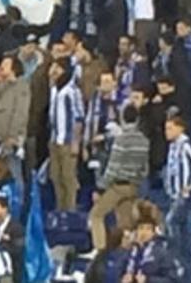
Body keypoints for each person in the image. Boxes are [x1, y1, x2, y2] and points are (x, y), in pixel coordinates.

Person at [89, 104, 149, 251]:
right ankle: (127, 252)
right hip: (134, 186)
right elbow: (145, 168)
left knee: (96, 215)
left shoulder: (121, 140)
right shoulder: (144, 140)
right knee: (125, 223)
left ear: (122, 118)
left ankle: (100, 251)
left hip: (118, 186)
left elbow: (113, 167)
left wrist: (102, 187)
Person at [164, 115, 191, 260]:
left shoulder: (187, 144)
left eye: (170, 128)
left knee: (171, 222)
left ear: (180, 128)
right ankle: (184, 260)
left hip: (184, 196)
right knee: (182, 229)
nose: (167, 132)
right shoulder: (172, 146)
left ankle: (176, 257)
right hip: (173, 194)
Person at [47, 60, 84, 211]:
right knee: (56, 176)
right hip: (54, 139)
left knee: (68, 178)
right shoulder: (54, 89)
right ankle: (59, 208)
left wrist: (76, 141)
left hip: (68, 141)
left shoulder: (72, 91)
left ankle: (70, 210)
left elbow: (79, 117)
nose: (54, 71)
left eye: (58, 68)